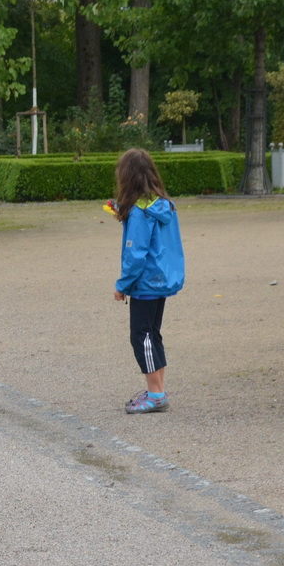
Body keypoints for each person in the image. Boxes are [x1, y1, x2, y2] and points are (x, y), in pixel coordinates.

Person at [108, 148, 185, 414]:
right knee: (152, 334)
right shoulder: (162, 204)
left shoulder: (140, 212)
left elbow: (135, 253)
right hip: (161, 278)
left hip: (145, 282)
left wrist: (123, 285)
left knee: (141, 337)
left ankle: (156, 395)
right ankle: (157, 389)